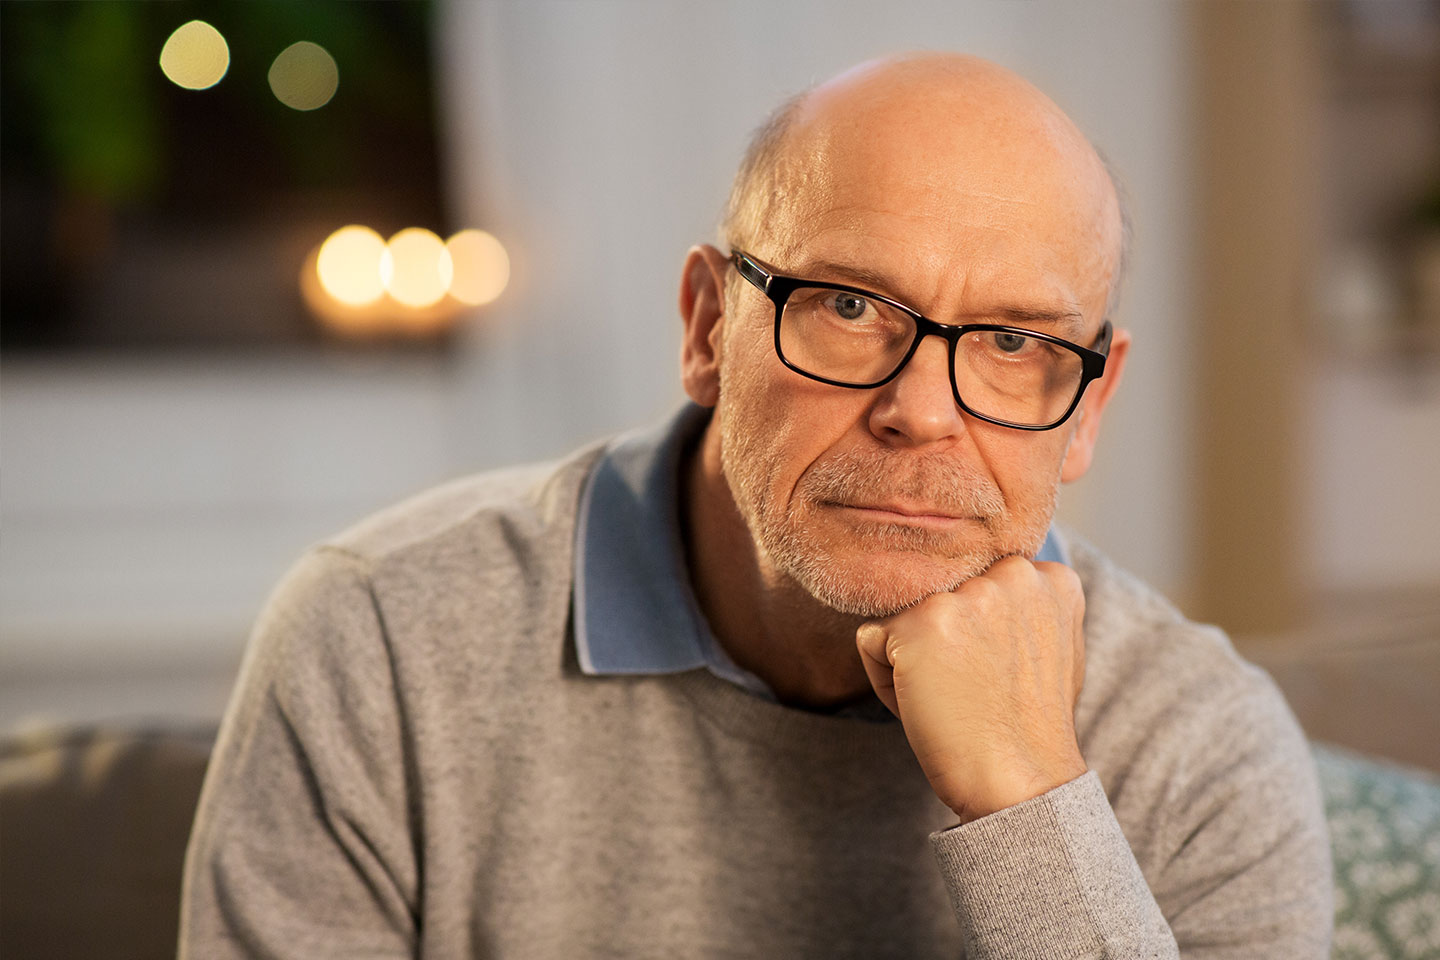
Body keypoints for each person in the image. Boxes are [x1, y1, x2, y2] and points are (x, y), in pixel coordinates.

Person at [180, 53, 1333, 957]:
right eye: (846, 307)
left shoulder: (1203, 745)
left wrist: (1032, 803)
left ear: (1087, 406)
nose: (920, 409)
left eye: (1014, 340)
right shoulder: (381, 641)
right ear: (706, 329)